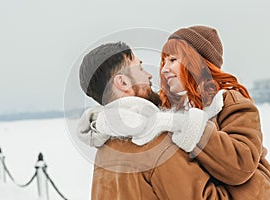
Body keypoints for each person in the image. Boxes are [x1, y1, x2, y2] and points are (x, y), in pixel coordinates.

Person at [78, 42, 230, 199]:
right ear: (123, 82)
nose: (149, 75)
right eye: (140, 69)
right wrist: (255, 175)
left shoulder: (106, 148)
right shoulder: (154, 144)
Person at [158, 25, 270, 200]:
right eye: (164, 61)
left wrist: (192, 129)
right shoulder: (174, 109)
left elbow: (242, 163)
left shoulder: (229, 101)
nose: (164, 69)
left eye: (172, 60)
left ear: (196, 63)